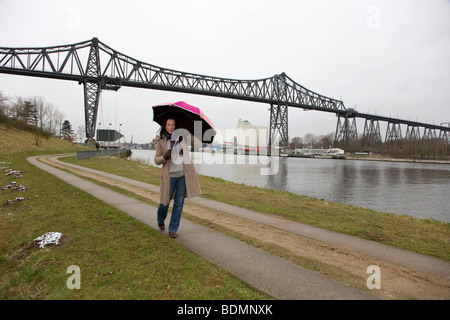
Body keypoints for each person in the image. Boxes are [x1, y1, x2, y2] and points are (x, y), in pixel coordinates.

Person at [154, 118, 202, 238]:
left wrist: (186, 133)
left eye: (173, 125)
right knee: (165, 203)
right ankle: (160, 219)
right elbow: (157, 160)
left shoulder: (183, 138)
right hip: (169, 177)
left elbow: (198, 144)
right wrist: (165, 156)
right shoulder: (161, 141)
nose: (171, 127)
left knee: (179, 204)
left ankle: (173, 229)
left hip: (182, 176)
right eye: (169, 124)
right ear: (165, 126)